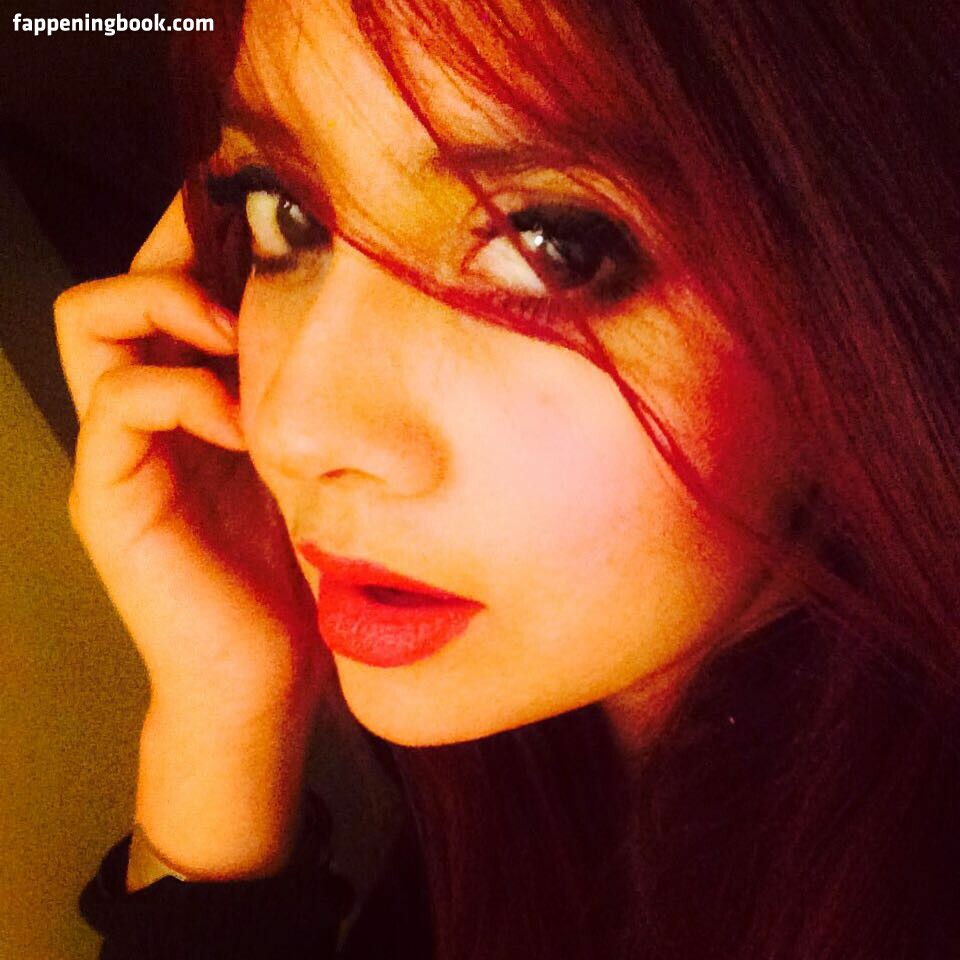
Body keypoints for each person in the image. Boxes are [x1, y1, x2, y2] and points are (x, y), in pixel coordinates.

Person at [54, 0, 959, 957]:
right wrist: (221, 709)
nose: (290, 427)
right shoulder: (531, 768)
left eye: (548, 246)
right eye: (286, 213)